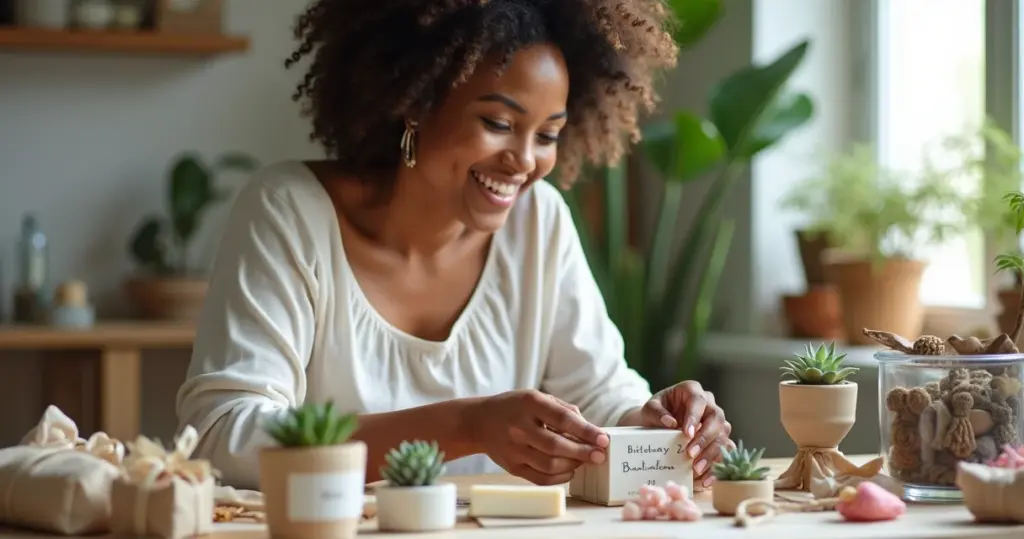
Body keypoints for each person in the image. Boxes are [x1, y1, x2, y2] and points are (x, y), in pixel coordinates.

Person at [176, 0, 733, 491]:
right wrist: (464, 428)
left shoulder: (538, 222)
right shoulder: (291, 210)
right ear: (414, 102)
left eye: (547, 135)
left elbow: (598, 398)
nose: (524, 161)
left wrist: (657, 422)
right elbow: (224, 437)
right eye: (497, 121)